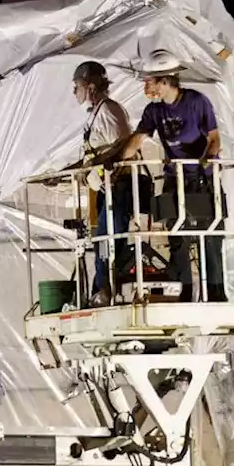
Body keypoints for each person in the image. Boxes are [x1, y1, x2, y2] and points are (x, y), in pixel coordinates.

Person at [113, 49, 226, 302]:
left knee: (209, 236)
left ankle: (217, 292)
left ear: (165, 80)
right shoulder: (154, 112)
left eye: (149, 81)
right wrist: (118, 162)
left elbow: (214, 139)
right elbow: (138, 140)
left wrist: (204, 164)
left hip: (201, 178)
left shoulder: (197, 102)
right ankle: (185, 290)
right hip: (174, 177)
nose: (146, 86)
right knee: (177, 234)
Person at [66, 61, 133, 305]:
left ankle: (105, 291)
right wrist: (67, 172)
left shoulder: (108, 110)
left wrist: (91, 166)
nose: (75, 92)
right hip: (105, 190)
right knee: (102, 240)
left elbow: (123, 146)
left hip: (118, 186)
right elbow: (92, 155)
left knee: (108, 240)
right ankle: (101, 289)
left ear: (91, 86)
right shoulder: (96, 113)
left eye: (77, 86)